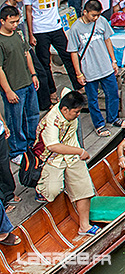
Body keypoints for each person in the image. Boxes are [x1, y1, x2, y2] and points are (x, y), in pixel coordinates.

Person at [35, 90, 99, 236]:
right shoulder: (52, 121)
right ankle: (40, 188)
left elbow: (66, 90)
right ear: (64, 110)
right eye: (76, 112)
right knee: (52, 191)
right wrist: (80, 151)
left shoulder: (68, 104)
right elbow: (53, 146)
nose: (78, 115)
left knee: (84, 188)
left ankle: (84, 226)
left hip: (71, 155)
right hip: (53, 158)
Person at [25, 0, 82, 106]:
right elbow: (29, 11)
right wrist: (31, 34)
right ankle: (51, 91)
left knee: (67, 55)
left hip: (56, 27)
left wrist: (56, 4)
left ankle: (79, 86)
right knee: (45, 63)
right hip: (40, 30)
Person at [68, 0, 124, 137]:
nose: (96, 18)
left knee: (113, 93)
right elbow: (73, 52)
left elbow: (107, 40)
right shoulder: (75, 29)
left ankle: (113, 118)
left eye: (98, 15)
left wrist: (113, 61)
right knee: (92, 99)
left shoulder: (102, 21)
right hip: (89, 69)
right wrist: (78, 73)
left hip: (105, 65)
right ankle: (99, 124)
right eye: (93, 15)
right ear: (85, 12)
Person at [0, 6, 39, 170]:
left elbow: (27, 54)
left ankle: (31, 145)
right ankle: (17, 150)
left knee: (32, 115)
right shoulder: (1, 41)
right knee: (15, 120)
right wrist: (8, 90)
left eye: (17, 21)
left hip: (27, 82)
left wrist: (33, 74)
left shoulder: (17, 34)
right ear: (2, 21)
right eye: (12, 22)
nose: (16, 25)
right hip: (14, 87)